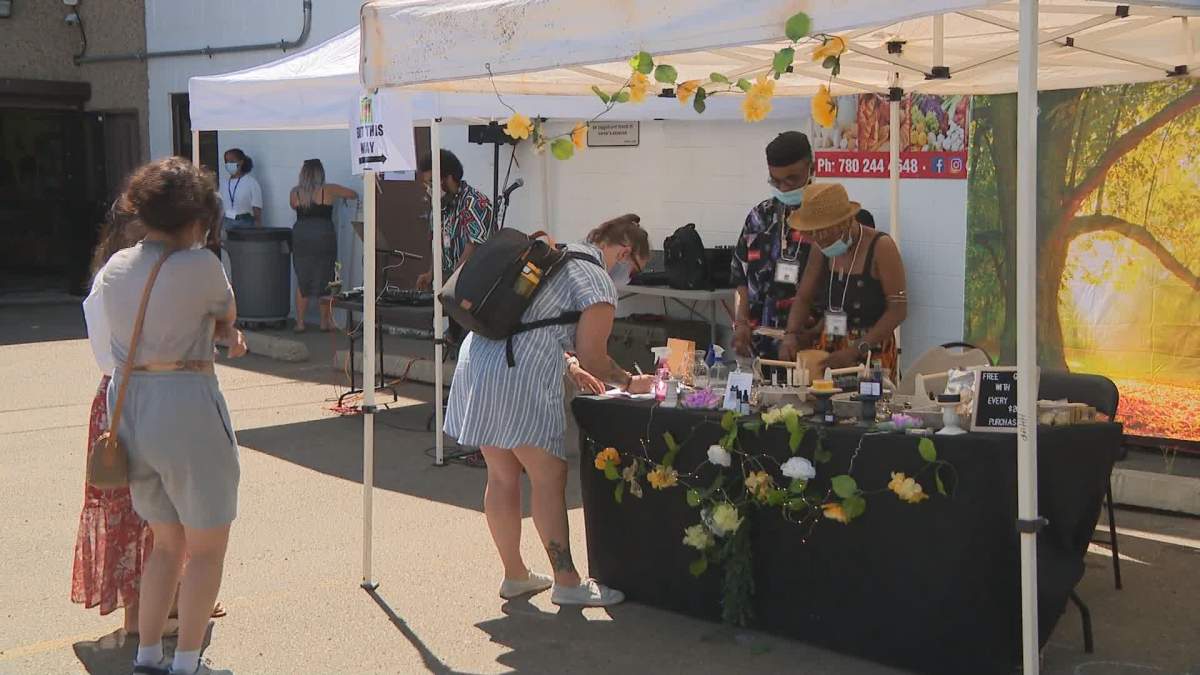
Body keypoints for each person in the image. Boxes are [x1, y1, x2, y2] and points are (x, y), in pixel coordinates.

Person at [444, 214, 655, 608]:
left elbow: (535, 320)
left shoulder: (557, 256)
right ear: (625, 252)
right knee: (549, 474)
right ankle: (567, 581)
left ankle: (515, 575)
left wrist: (570, 365)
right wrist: (629, 382)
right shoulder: (596, 280)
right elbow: (596, 356)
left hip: (478, 359)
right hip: (517, 374)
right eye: (636, 268)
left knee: (502, 474)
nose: (631, 276)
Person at [93, 157, 246, 675]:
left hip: (131, 404)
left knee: (165, 545)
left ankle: (149, 655)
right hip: (186, 407)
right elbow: (227, 314)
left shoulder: (114, 268)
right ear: (195, 217)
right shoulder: (200, 265)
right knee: (206, 548)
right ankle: (187, 662)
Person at [780, 183, 907, 374]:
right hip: (830, 346)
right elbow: (804, 297)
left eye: (824, 232)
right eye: (813, 233)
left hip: (872, 348)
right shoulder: (820, 247)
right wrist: (790, 334)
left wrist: (856, 350)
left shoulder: (882, 247)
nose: (819, 239)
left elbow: (898, 310)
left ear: (846, 222)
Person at [730, 131, 819, 360]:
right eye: (776, 181)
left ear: (813, 168)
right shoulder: (759, 217)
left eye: (793, 179)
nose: (785, 187)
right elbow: (740, 277)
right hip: (760, 344)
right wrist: (741, 322)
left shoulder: (828, 219)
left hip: (810, 346)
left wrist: (808, 334)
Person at [289, 158, 357, 332]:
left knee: (302, 278)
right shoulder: (329, 189)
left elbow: (293, 206)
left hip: (301, 234)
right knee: (326, 277)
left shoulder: (295, 192)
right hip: (323, 233)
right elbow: (352, 194)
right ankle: (324, 322)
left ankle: (300, 322)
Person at [414, 149, 495, 291]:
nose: (429, 189)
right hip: (450, 284)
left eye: (432, 182)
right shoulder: (439, 206)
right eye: (427, 184)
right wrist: (431, 274)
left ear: (449, 178)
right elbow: (438, 243)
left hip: (475, 285)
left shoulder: (474, 202)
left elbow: (475, 245)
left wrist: (452, 282)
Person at [219, 148, 262, 232]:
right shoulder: (224, 183)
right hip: (227, 222)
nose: (229, 164)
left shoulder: (251, 182)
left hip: (245, 222)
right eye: (226, 161)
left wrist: (258, 227)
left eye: (232, 161)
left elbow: (257, 208)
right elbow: (221, 207)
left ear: (241, 162)